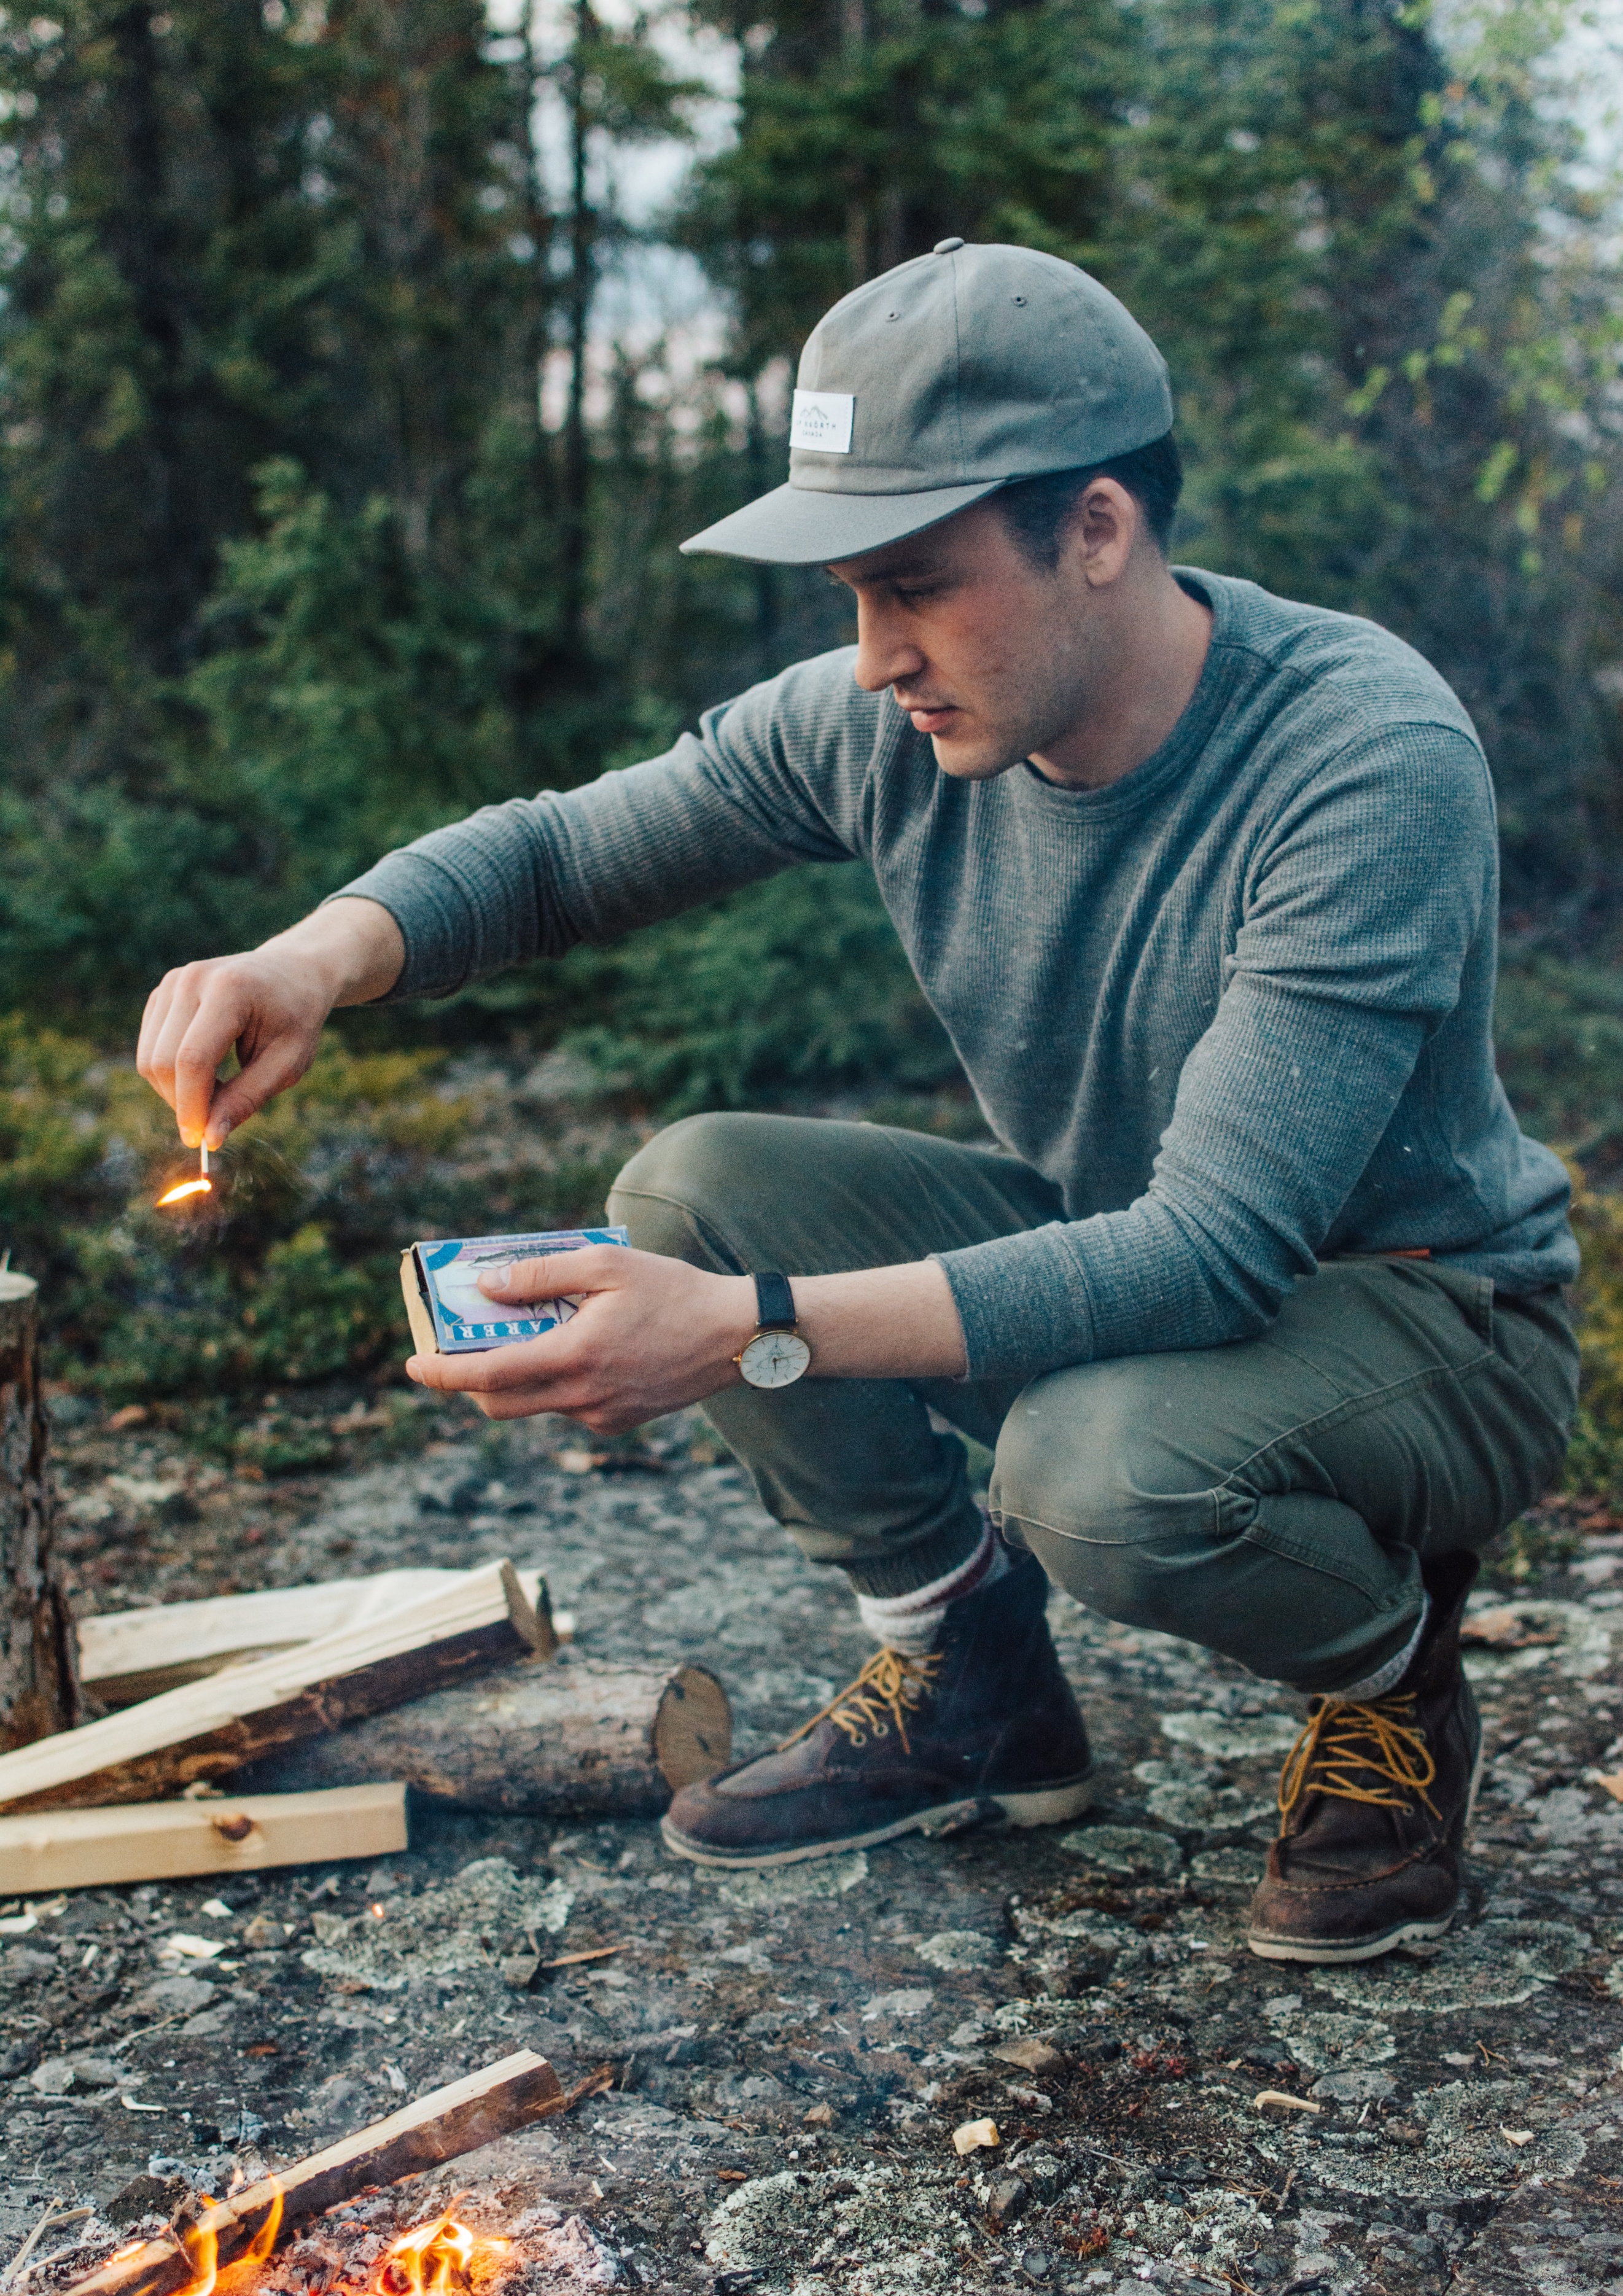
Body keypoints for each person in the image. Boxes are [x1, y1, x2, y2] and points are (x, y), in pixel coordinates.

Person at [136, 239, 1580, 1965]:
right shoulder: (885, 717)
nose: (873, 652)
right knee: (693, 1184)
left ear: (1096, 532)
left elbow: (1210, 1253)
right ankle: (973, 1679)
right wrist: (314, 956)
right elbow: (559, 855)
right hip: (1123, 1258)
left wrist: (743, 1330)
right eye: (847, 594)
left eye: (914, 582)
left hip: (1428, 1322)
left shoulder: (1358, 755)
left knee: (1092, 1472)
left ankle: (1394, 1674)